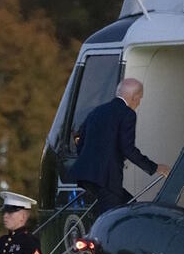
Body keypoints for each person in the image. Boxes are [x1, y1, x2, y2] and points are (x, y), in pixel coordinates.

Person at [68, 77, 170, 212]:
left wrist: (91, 160)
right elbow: (127, 148)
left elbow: (80, 139)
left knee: (129, 204)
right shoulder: (127, 114)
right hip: (107, 177)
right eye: (140, 98)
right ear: (134, 97)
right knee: (114, 215)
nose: (139, 103)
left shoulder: (98, 111)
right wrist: (155, 167)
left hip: (88, 175)